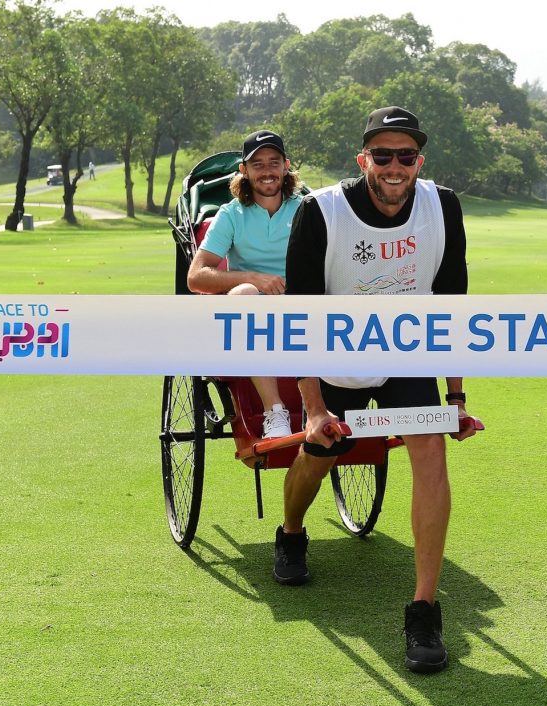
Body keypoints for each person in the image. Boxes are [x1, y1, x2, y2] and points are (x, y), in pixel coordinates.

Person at [281, 106, 476, 674]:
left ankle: (423, 609)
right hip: (334, 357)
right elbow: (301, 320)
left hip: (407, 357)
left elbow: (453, 309)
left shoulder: (444, 207)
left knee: (430, 452)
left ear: (420, 161)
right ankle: (291, 533)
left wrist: (456, 399)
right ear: (363, 159)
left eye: (406, 156)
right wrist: (314, 409)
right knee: (319, 455)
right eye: (383, 156)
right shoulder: (322, 211)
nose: (395, 167)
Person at [186, 129, 302, 439]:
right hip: (250, 311)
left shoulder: (306, 208)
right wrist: (252, 277)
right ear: (244, 170)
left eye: (274, 162)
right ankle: (275, 412)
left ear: (286, 166)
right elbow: (196, 276)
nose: (267, 171)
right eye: (258, 164)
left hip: (299, 307)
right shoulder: (231, 214)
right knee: (246, 295)